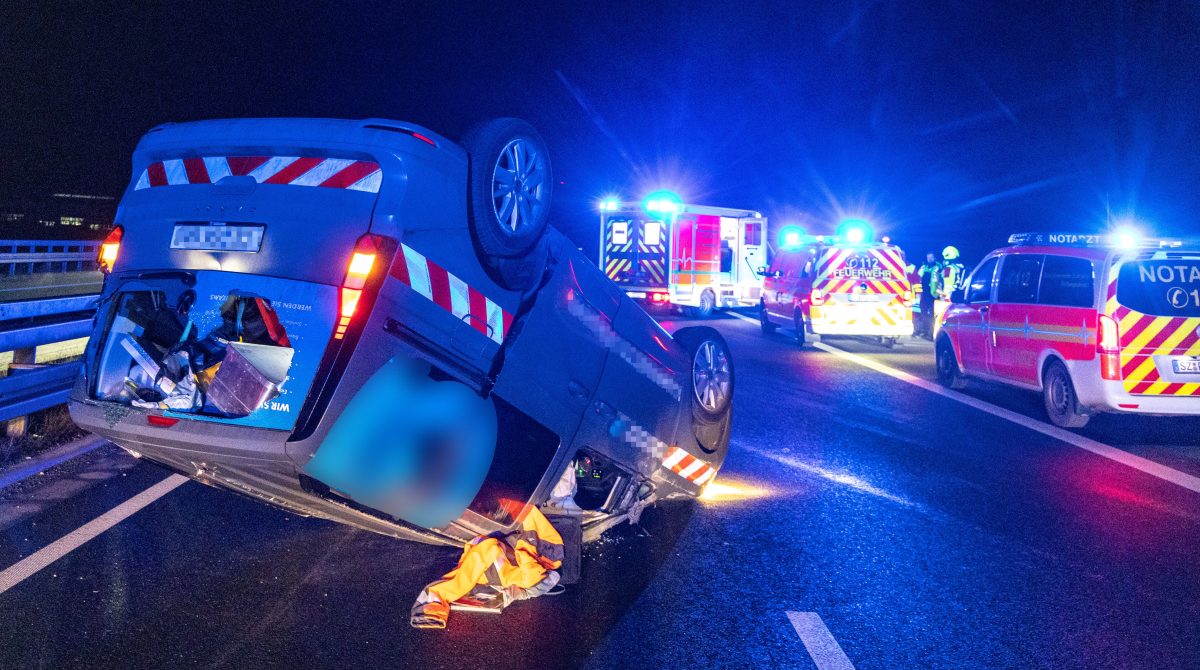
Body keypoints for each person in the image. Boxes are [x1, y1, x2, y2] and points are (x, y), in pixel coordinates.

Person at [410, 498, 564, 629]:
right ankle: (431, 606)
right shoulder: (543, 561)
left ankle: (432, 606)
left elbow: (489, 550)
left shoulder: (545, 561)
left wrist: (518, 592)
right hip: (517, 554)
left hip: (515, 556)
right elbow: (489, 550)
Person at [915, 251, 939, 339]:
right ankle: (925, 331)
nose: (929, 259)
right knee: (924, 313)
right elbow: (918, 277)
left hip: (934, 295)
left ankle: (932, 333)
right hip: (924, 293)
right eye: (928, 258)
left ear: (935, 258)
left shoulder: (938, 267)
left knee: (933, 314)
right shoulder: (924, 267)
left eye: (931, 257)